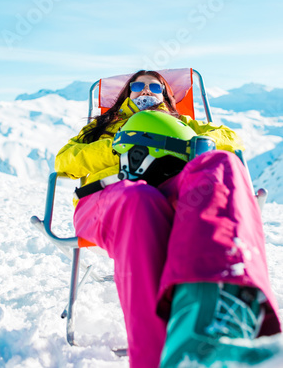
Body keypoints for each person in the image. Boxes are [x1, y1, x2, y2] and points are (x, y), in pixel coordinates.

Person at [55, 70, 281, 368]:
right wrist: (120, 144)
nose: (145, 90)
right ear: (127, 93)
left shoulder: (183, 122)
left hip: (171, 195)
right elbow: (65, 160)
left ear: (165, 95)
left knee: (222, 165)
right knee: (138, 200)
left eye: (154, 86)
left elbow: (230, 138)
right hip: (107, 198)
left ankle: (212, 328)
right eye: (138, 85)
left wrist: (187, 140)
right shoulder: (101, 128)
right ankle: (155, 358)